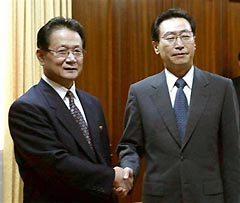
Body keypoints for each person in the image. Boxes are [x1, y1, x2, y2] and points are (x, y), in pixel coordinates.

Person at [117, 8, 240, 203]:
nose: (179, 44)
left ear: (195, 41)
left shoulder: (221, 88)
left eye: (185, 36)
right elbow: (130, 144)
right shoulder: (140, 92)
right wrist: (128, 167)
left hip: (209, 197)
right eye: (171, 38)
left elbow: (233, 153)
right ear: (156, 46)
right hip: (160, 196)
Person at [8, 16, 132, 203]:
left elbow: (101, 159)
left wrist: (115, 186)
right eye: (62, 51)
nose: (71, 59)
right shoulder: (27, 107)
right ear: (41, 56)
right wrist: (111, 177)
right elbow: (55, 164)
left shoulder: (92, 103)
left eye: (77, 51)